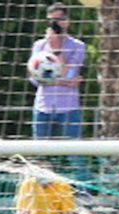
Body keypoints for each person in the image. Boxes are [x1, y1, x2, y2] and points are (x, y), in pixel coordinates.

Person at [30, 3, 85, 141]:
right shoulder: (39, 45)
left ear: (68, 21)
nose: (55, 24)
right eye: (51, 20)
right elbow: (34, 78)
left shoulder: (77, 46)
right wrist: (65, 82)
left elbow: (69, 74)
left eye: (59, 19)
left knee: (75, 154)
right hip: (43, 107)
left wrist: (56, 50)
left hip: (68, 107)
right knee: (41, 154)